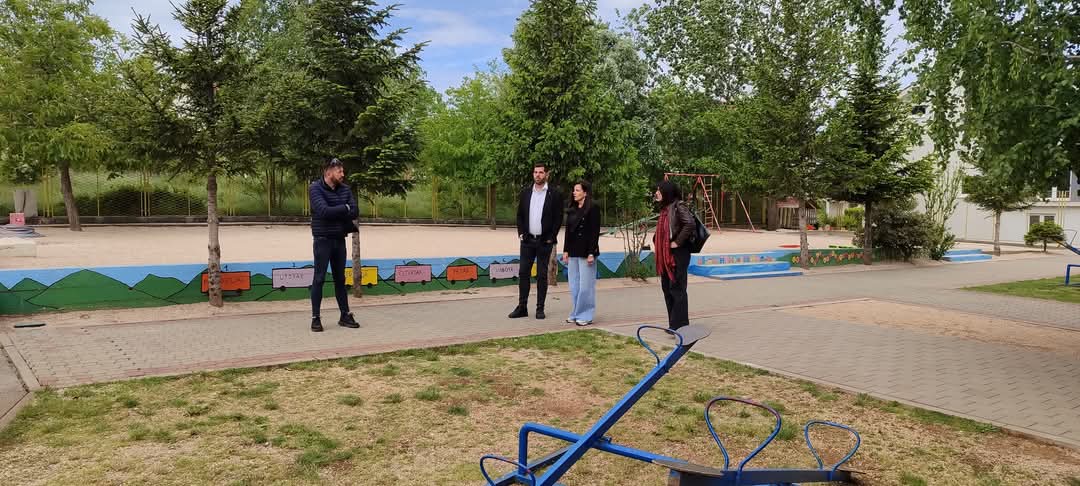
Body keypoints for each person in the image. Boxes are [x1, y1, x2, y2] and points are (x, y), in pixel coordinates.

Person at [308, 157, 361, 332]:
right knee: (319, 278)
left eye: (343, 171)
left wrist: (339, 209)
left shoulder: (345, 189)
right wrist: (344, 208)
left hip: (339, 239)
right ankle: (316, 318)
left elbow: (355, 211)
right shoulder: (315, 188)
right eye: (340, 171)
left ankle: (344, 315)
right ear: (328, 172)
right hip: (322, 240)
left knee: (340, 279)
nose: (343, 174)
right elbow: (323, 211)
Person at [509, 163, 563, 320]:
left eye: (541, 172)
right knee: (523, 273)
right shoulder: (526, 193)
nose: (538, 175)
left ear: (546, 174)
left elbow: (558, 217)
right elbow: (520, 215)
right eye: (535, 172)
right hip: (527, 240)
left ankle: (540, 308)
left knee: (541, 275)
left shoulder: (554, 194)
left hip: (544, 241)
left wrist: (551, 236)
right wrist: (521, 234)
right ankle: (522, 307)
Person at [653, 180, 694, 331]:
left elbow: (689, 223)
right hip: (666, 255)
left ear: (667, 192)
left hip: (678, 254)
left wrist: (677, 242)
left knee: (677, 289)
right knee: (667, 288)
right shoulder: (665, 209)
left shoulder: (678, 206)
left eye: (659, 190)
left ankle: (680, 325)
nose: (656, 193)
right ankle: (673, 324)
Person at [562, 181, 601, 326]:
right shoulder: (572, 208)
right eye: (574, 190)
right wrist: (565, 250)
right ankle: (576, 312)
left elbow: (594, 232)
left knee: (586, 286)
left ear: (585, 192)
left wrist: (591, 252)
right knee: (574, 285)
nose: (574, 193)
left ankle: (586, 315)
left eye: (577, 190)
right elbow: (568, 231)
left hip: (586, 251)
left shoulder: (593, 208)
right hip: (573, 251)